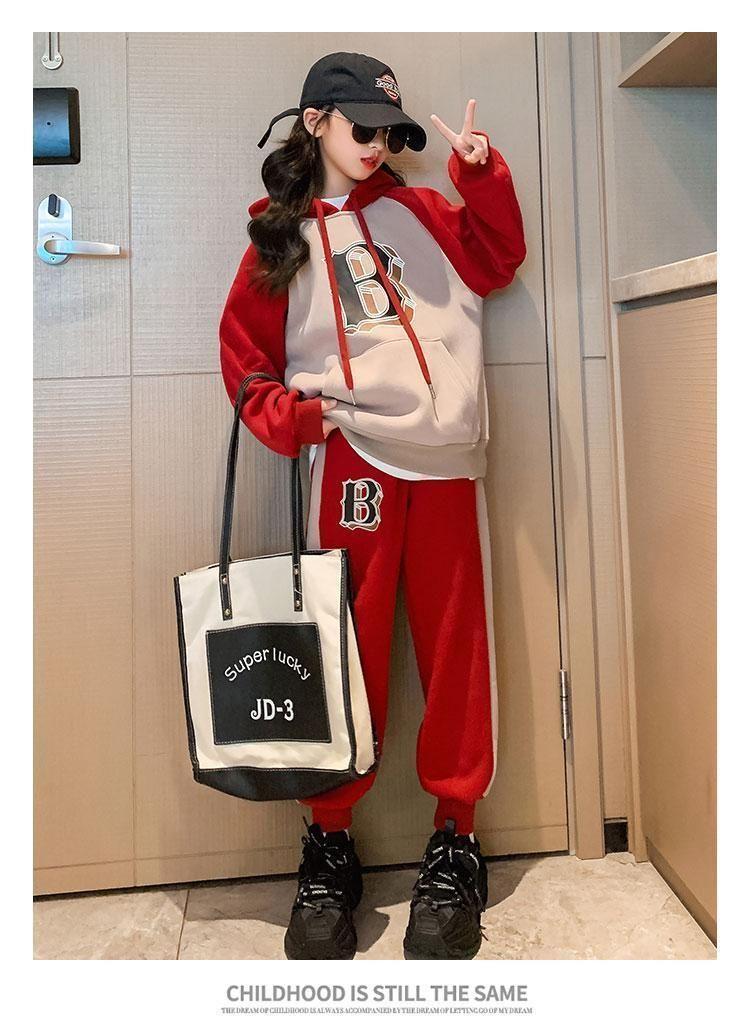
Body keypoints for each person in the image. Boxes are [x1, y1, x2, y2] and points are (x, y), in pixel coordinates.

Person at [219, 50, 526, 961]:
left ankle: (456, 844)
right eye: (363, 127)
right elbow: (245, 360)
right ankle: (330, 847)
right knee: (342, 653)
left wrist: (478, 175)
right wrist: (297, 419)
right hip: (352, 460)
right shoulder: (279, 236)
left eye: (391, 133)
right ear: (315, 121)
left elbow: (498, 259)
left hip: (447, 464)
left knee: (456, 648)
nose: (378, 146)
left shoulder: (421, 211)